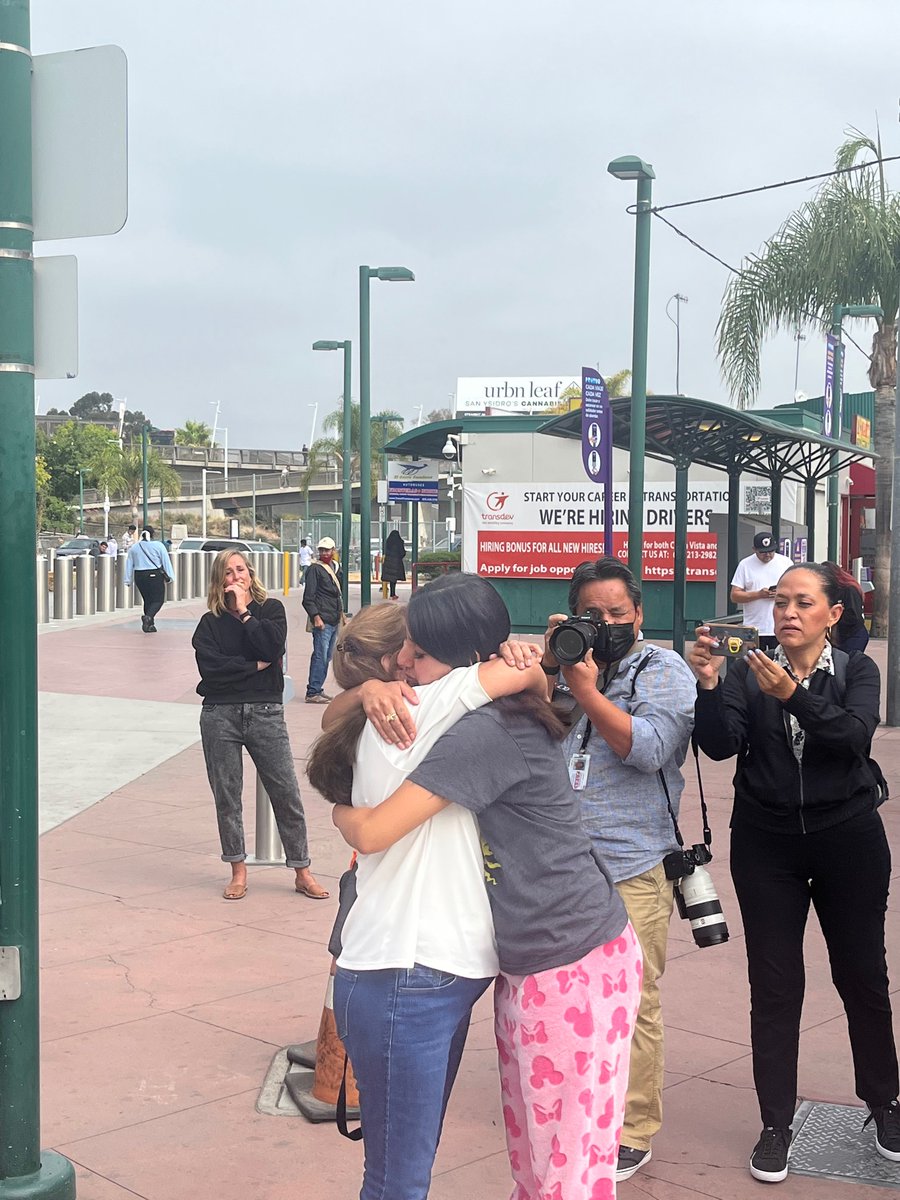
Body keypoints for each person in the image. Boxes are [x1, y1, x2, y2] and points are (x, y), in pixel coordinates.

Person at [331, 574, 640, 1200]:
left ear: (467, 661)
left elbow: (372, 830)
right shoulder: (477, 709)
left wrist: (344, 813)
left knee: (563, 1171)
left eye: (419, 651)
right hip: (547, 956)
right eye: (400, 649)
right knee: (544, 1162)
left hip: (566, 962)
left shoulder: (478, 730)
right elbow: (528, 680)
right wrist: (366, 690)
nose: (403, 663)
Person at [688, 561, 899, 1184]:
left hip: (848, 839)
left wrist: (793, 695)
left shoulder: (857, 670)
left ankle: (884, 1102)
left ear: (832, 614)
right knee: (775, 986)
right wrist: (709, 686)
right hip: (767, 844)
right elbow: (720, 745)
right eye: (781, 601)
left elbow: (853, 737)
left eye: (803, 602)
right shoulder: (748, 669)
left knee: (862, 975)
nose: (787, 612)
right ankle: (775, 1122)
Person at [540, 556, 696, 1183]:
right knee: (561, 992)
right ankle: (575, 1099)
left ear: (639, 614)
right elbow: (529, 734)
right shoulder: (565, 664)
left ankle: (631, 1127)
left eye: (615, 613)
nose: (603, 624)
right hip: (563, 863)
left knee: (633, 1001)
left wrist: (586, 691)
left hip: (632, 864)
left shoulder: (662, 669)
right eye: (590, 614)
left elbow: (649, 748)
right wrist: (549, 669)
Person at [192, 548, 328, 901]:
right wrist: (252, 667)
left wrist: (244, 613)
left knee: (285, 792)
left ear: (250, 574)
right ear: (219, 580)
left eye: (240, 569)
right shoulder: (209, 624)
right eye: (228, 572)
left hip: (266, 711)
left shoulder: (270, 611)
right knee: (227, 796)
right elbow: (211, 672)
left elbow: (272, 648)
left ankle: (302, 871)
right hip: (219, 713)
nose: (235, 576)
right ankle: (238, 870)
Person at [730, 533, 794, 651]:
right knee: (753, 660)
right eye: (763, 552)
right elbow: (735, 595)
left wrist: (780, 594)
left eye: (771, 551)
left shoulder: (786, 563)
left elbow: (795, 589)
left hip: (780, 625)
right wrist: (759, 595)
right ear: (754, 550)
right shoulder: (745, 565)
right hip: (754, 626)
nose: (767, 555)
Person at [302, 536, 344, 705]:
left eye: (327, 550)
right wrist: (316, 617)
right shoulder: (315, 569)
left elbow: (338, 594)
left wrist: (341, 615)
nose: (324, 553)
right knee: (320, 655)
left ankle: (317, 688)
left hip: (333, 618)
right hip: (323, 620)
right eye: (322, 550)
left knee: (327, 656)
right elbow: (308, 598)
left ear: (333, 550)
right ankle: (313, 691)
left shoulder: (336, 568)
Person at [124, 525, 173, 633]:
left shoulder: (134, 547)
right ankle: (148, 617)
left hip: (139, 576)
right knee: (158, 600)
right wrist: (170, 576)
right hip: (154, 574)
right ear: (153, 534)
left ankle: (149, 625)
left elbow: (129, 564)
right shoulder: (158, 545)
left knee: (148, 600)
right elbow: (165, 561)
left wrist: (127, 579)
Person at [825, 560, 869, 653]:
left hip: (854, 633)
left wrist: (834, 619)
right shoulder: (835, 591)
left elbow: (854, 616)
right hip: (843, 635)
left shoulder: (849, 590)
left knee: (847, 659)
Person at [381, 529, 406, 599]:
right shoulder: (399, 542)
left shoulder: (388, 542)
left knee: (390, 578)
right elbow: (402, 553)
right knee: (394, 579)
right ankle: (393, 594)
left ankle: (390, 593)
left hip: (388, 562)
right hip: (397, 562)